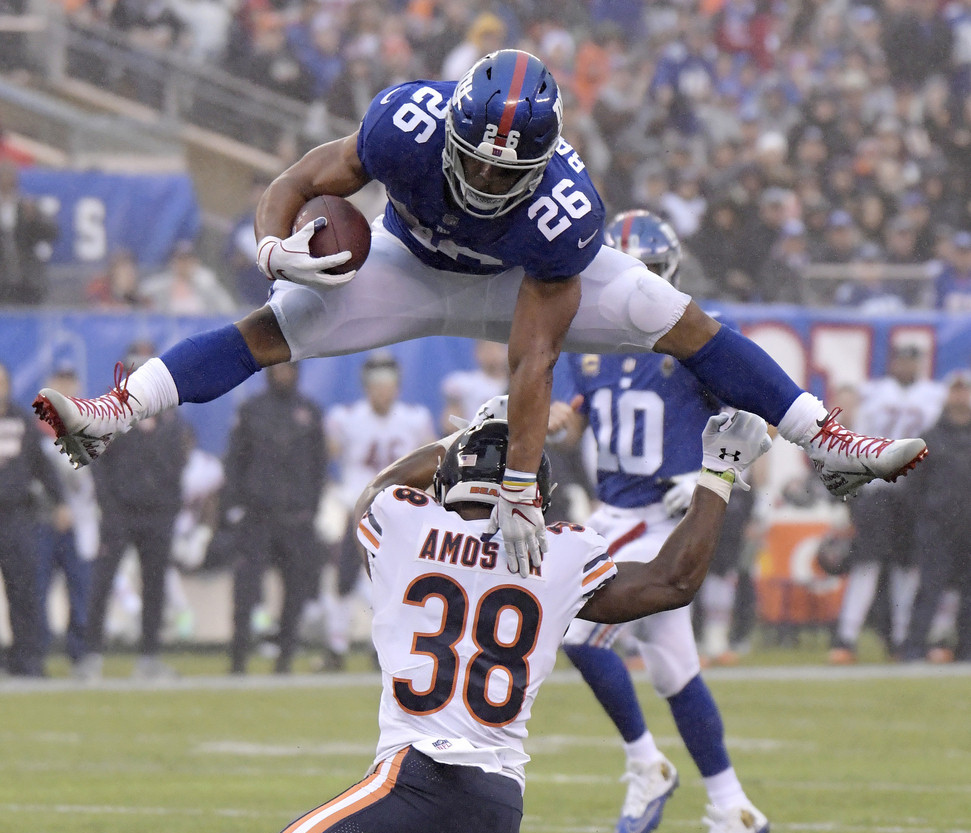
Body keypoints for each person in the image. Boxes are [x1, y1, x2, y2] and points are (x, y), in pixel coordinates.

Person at [35, 48, 928, 582]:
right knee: (277, 322)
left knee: (671, 311)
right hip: (409, 262)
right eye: (480, 161)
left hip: (516, 280)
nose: (490, 180)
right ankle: (120, 409)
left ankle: (824, 439)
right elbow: (299, 181)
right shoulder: (405, 124)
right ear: (451, 129)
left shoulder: (562, 211)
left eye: (511, 173)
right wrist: (273, 247)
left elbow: (530, 363)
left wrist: (516, 490)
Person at [210, 408, 772, 833]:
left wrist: (457, 437)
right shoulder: (563, 553)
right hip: (494, 812)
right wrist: (718, 475)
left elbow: (375, 493)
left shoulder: (402, 522)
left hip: (410, 789)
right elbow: (674, 581)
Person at [547, 210, 769, 833]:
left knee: (576, 628)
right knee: (673, 670)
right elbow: (569, 412)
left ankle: (646, 763)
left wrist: (702, 477)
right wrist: (541, 416)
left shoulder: (692, 340)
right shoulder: (586, 343)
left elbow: (755, 418)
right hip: (615, 510)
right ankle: (731, 808)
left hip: (663, 516)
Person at [828, 338, 947, 664]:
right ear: (893, 361)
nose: (906, 366)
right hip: (877, 490)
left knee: (906, 568)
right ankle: (846, 637)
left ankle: (901, 639)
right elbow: (843, 420)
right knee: (867, 563)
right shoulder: (872, 391)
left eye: (912, 360)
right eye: (902, 360)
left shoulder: (935, 395)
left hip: (913, 491)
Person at [76, 342, 187, 683]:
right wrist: (110, 506)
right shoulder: (111, 414)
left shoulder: (170, 417)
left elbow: (177, 464)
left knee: (154, 585)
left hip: (157, 514)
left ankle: (149, 656)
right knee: (103, 582)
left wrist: (168, 505)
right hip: (121, 513)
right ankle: (90, 655)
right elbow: (97, 463)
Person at [322, 352, 435, 666]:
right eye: (376, 384)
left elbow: (432, 461)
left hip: (398, 514)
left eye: (387, 385)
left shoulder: (414, 418)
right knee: (344, 579)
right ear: (366, 387)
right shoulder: (345, 418)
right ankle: (336, 645)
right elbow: (327, 452)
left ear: (397, 387)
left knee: (396, 583)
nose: (382, 391)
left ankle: (385, 648)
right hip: (356, 508)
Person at [223, 362, 326, 675]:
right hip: (258, 514)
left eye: (288, 368)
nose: (283, 373)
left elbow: (318, 465)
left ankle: (285, 657)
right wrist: (235, 504)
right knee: (246, 589)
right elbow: (235, 460)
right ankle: (239, 657)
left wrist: (311, 506)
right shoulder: (252, 410)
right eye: (278, 368)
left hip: (296, 516)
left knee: (295, 590)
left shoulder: (309, 411)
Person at [0, 362, 68, 676]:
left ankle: (27, 659)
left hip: (15, 516)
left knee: (23, 590)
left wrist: (61, 502)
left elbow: (43, 467)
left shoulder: (23, 423)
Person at [902, 370, 971, 663]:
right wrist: (928, 515)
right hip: (937, 527)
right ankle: (914, 648)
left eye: (964, 390)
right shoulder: (929, 438)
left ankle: (966, 650)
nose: (960, 396)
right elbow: (912, 486)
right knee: (929, 589)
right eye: (955, 390)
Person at [34, 363, 100, 668]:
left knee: (81, 591)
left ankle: (79, 653)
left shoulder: (91, 424)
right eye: (59, 381)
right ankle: (35, 655)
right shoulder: (33, 427)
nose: (65, 387)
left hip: (82, 523)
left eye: (69, 381)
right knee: (37, 590)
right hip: (43, 522)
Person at [0, 159, 59, 306]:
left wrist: (34, 219)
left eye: (10, 178)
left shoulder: (27, 205)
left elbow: (52, 233)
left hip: (29, 281)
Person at [439, 338, 510, 432]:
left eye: (496, 348)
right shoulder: (463, 383)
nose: (492, 353)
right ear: (477, 352)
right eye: (487, 348)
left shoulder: (514, 385)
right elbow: (450, 424)